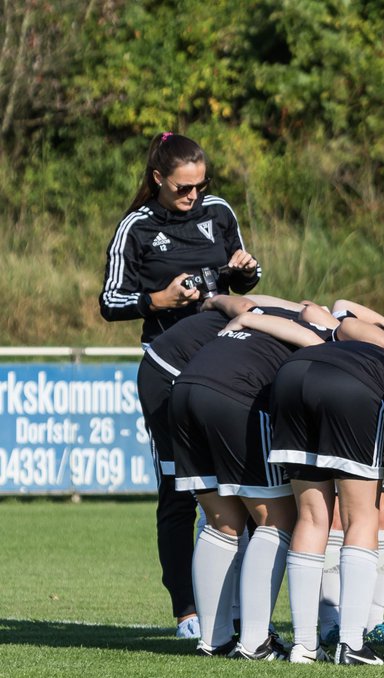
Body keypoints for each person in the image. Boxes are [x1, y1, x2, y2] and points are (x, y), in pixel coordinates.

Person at [99, 131, 261, 638]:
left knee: (240, 488)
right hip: (167, 375)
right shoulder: (136, 228)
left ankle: (235, 607)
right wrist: (159, 300)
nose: (193, 196)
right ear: (158, 181)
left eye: (200, 184)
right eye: (183, 188)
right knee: (178, 494)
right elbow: (109, 301)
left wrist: (246, 271)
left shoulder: (219, 213)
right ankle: (187, 611)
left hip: (224, 373)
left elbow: (240, 283)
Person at [171, 306, 324, 658]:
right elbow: (314, 341)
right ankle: (255, 642)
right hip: (235, 394)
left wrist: (249, 317)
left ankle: (214, 639)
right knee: (276, 519)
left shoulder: (263, 314)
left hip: (185, 389)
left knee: (220, 522)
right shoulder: (315, 334)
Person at [267, 313, 384, 665]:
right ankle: (351, 643)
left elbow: (345, 318)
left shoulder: (347, 335)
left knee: (312, 517)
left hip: (291, 375)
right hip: (348, 387)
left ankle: (304, 645)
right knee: (361, 516)